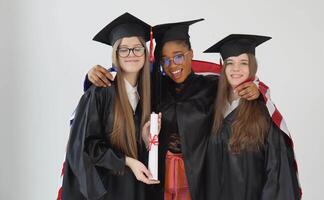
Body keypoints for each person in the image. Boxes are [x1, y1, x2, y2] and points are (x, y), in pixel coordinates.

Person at [85, 19, 262, 200]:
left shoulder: (212, 87)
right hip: (158, 175)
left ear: (190, 54)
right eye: (165, 60)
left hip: (198, 176)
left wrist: (257, 89)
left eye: (178, 56)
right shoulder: (153, 87)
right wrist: (91, 76)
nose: (173, 65)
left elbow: (237, 84)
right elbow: (126, 76)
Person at [61, 12, 161, 200]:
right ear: (115, 54)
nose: (131, 54)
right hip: (108, 190)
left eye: (137, 48)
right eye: (124, 49)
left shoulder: (147, 93)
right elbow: (84, 146)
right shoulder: (99, 93)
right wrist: (128, 161)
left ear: (145, 52)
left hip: (136, 188)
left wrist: (145, 139)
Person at [204, 34, 302, 200]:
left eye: (243, 63)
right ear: (223, 68)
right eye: (230, 63)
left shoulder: (263, 111)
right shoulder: (213, 107)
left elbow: (277, 172)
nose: (236, 69)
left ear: (253, 67)